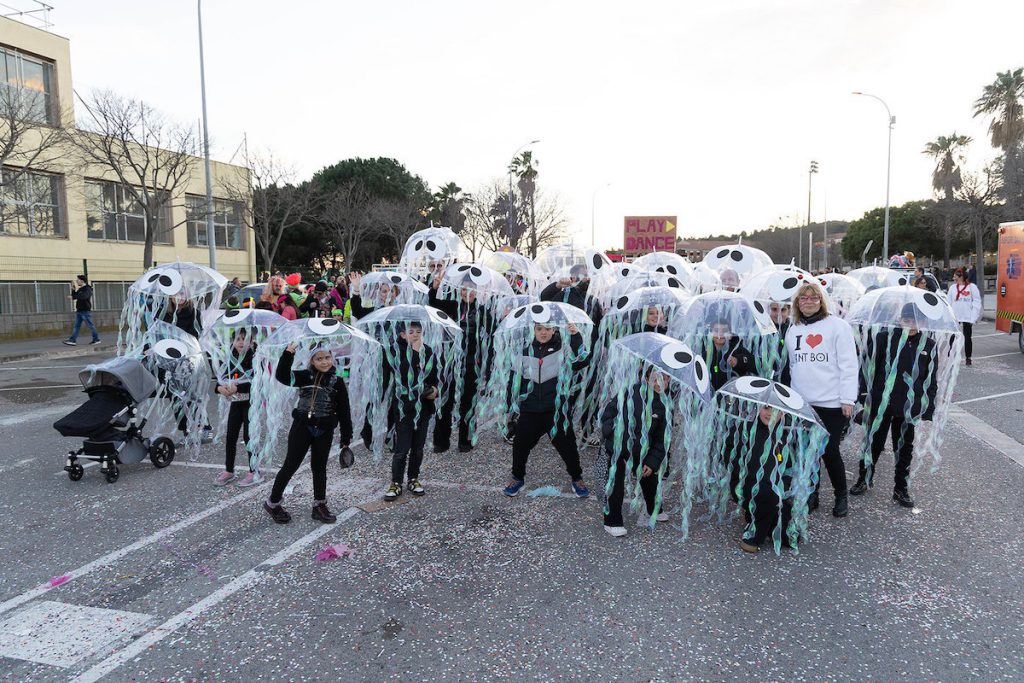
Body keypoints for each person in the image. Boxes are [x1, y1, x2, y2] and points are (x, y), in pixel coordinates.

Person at [781, 283, 858, 517]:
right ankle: (812, 493)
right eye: (803, 298)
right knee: (807, 452)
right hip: (803, 403)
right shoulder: (793, 329)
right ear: (797, 303)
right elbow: (792, 366)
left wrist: (848, 399)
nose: (808, 302)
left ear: (821, 301)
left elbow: (848, 365)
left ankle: (841, 495)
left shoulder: (838, 327)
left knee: (829, 451)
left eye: (813, 298)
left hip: (832, 403)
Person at [851, 304, 936, 508]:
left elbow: (930, 379)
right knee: (873, 442)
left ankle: (901, 488)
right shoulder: (883, 338)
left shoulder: (928, 344)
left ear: (923, 322)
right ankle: (864, 478)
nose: (911, 324)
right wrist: (864, 395)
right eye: (907, 320)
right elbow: (868, 368)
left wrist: (928, 407)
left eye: (915, 320)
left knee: (904, 448)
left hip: (908, 406)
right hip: (881, 402)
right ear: (899, 319)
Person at [264, 343, 353, 524]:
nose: (324, 362)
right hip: (302, 427)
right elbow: (282, 376)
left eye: (327, 357)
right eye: (319, 359)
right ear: (312, 360)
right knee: (290, 465)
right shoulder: (304, 376)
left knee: (319, 467)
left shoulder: (337, 381)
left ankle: (319, 505)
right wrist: (288, 353)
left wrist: (346, 437)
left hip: (324, 430)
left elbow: (344, 410)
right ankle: (273, 502)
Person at [503, 323, 590, 498]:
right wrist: (510, 405)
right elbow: (514, 379)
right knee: (520, 445)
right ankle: (517, 478)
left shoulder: (563, 349)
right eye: (540, 329)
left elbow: (582, 360)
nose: (544, 333)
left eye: (548, 329)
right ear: (534, 330)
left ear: (554, 330)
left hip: (555, 410)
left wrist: (575, 336)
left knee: (568, 446)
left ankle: (577, 478)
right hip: (530, 409)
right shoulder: (524, 351)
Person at [600, 366, 671, 537]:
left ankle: (654, 508)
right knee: (615, 485)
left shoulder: (665, 406)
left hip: (642, 450)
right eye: (654, 379)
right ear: (646, 379)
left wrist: (652, 462)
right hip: (617, 448)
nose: (659, 383)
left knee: (650, 480)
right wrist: (610, 432)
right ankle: (612, 522)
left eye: (664, 379)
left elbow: (662, 439)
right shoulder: (630, 392)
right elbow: (608, 413)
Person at [383, 321, 439, 501]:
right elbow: (396, 375)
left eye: (418, 331)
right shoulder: (394, 351)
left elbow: (433, 376)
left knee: (418, 448)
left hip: (423, 407)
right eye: (411, 331)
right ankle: (396, 482)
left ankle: (413, 478)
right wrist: (414, 353)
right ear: (402, 334)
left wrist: (434, 390)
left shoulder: (427, 351)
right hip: (403, 408)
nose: (415, 335)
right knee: (402, 449)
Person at [738, 406, 793, 553]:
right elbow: (732, 457)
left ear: (782, 414)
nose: (770, 414)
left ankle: (760, 517)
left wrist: (784, 488)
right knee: (767, 495)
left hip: (776, 489)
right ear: (759, 408)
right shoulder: (747, 430)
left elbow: (788, 467)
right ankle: (756, 533)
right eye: (766, 408)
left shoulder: (783, 436)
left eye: (776, 410)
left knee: (788, 538)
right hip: (750, 484)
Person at [214, 332, 261, 488]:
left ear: (251, 342)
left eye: (245, 339)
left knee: (249, 437)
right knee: (231, 436)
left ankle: (254, 471)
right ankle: (229, 470)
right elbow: (220, 380)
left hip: (250, 403)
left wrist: (237, 388)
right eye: (238, 339)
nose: (241, 342)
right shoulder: (230, 359)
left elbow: (257, 382)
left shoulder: (255, 358)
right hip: (235, 402)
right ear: (232, 342)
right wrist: (220, 388)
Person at [707, 319, 756, 391]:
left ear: (730, 335)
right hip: (711, 393)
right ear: (711, 333)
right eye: (716, 330)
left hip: (733, 393)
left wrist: (738, 361)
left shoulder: (738, 349)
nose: (720, 334)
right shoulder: (705, 350)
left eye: (724, 331)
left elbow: (755, 365)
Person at [947, 268, 981, 365]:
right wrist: (949, 316)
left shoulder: (972, 287)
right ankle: (951, 355)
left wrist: (973, 317)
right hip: (955, 316)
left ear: (961, 277)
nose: (953, 278)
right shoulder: (952, 288)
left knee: (967, 337)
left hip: (967, 316)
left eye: (955, 276)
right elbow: (948, 302)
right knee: (953, 336)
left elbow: (976, 302)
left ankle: (968, 357)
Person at [64, 275, 101, 346]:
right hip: (79, 310)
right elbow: (76, 297)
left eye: (77, 280)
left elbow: (84, 296)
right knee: (76, 326)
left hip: (85, 311)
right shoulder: (81, 289)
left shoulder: (87, 289)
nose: (76, 281)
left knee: (90, 326)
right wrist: (73, 290)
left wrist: (73, 296)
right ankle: (72, 340)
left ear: (82, 281)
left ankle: (96, 339)